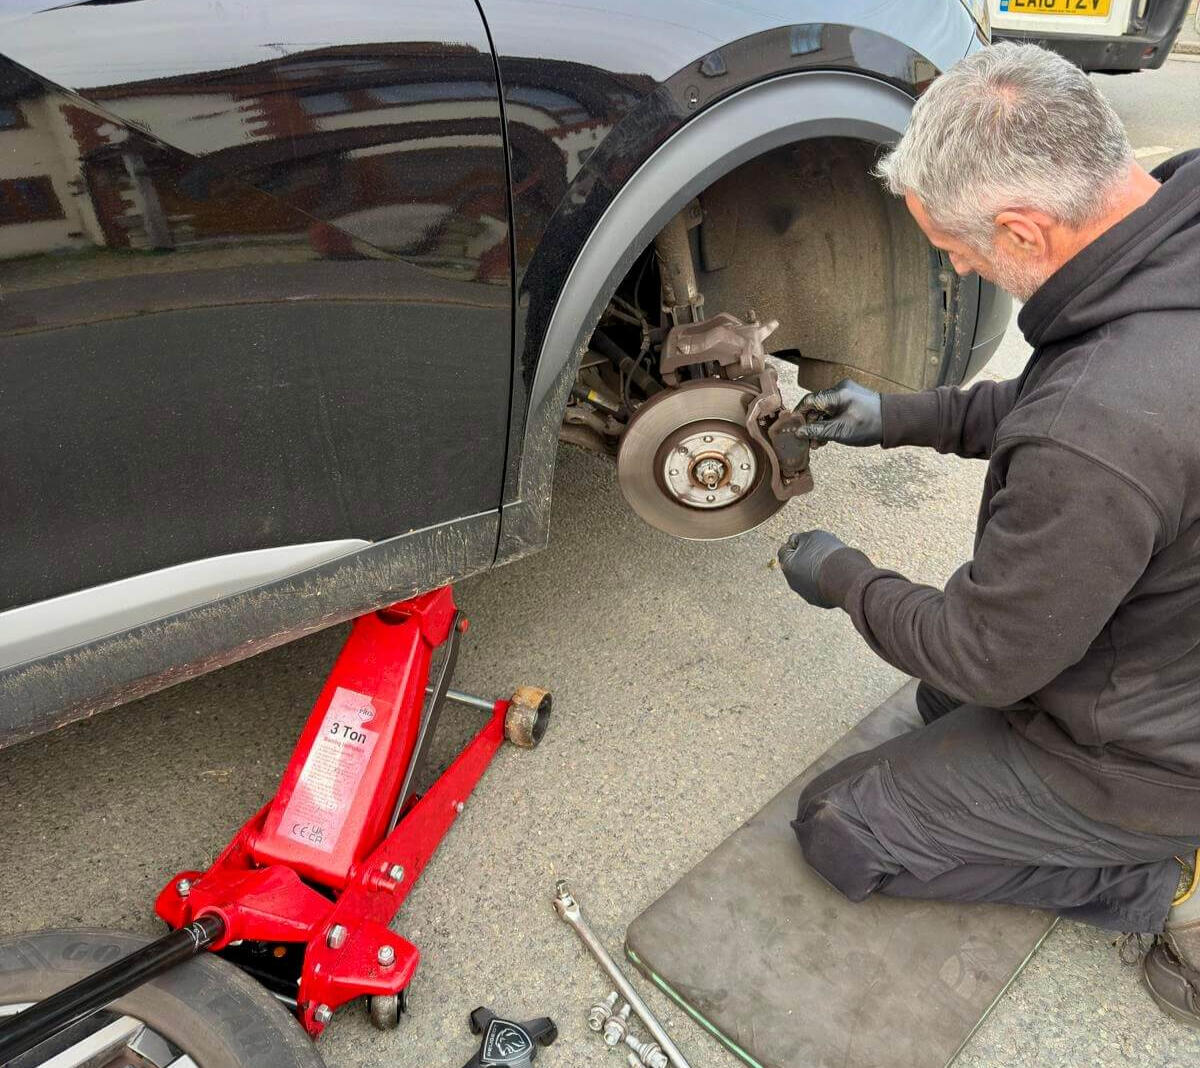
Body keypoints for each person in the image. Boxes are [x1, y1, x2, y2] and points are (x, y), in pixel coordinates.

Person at [775, 41, 1200, 1027]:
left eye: (957, 246)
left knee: (841, 828)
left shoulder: (1103, 428)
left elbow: (985, 659)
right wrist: (903, 416)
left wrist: (842, 575)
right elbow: (1075, 394)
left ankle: (1160, 887)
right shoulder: (1169, 236)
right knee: (933, 704)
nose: (954, 262)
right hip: (1172, 644)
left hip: (1154, 756)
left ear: (1021, 224)